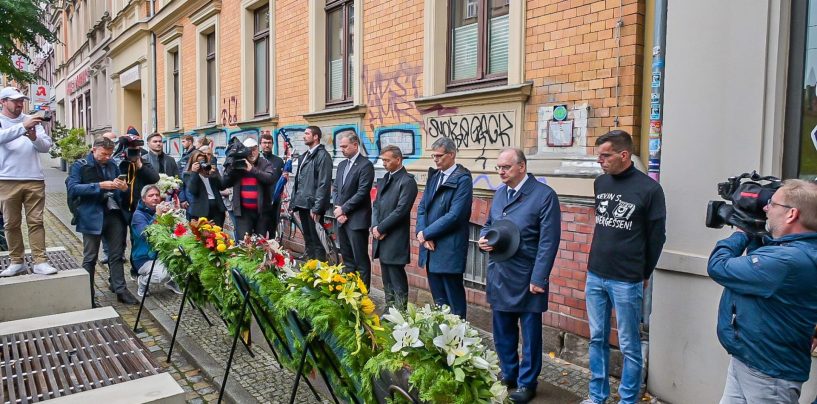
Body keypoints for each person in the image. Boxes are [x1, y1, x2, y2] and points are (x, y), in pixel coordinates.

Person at [707, 179, 817, 404]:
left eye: (773, 204)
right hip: (748, 359)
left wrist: (740, 231)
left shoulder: (789, 260)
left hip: (769, 375)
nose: (766, 208)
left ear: (792, 214)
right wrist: (757, 230)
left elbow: (719, 266)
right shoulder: (789, 249)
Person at [582, 130, 666, 404]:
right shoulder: (600, 183)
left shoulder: (650, 189)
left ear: (624, 155)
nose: (600, 161)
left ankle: (628, 400)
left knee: (629, 344)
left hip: (627, 279)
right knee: (597, 339)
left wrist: (644, 273)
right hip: (595, 274)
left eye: (605, 155)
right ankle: (597, 396)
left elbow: (657, 237)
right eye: (598, 156)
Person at [477, 148, 561, 403]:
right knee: (502, 329)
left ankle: (527, 383)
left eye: (506, 167)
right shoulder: (501, 193)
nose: (501, 172)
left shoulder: (544, 195)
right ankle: (509, 374)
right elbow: (490, 224)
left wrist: (539, 278)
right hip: (501, 271)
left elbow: (549, 241)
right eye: (498, 168)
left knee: (530, 333)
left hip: (527, 276)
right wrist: (484, 238)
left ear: (522, 167)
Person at [67, 137, 139, 306]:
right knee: (90, 257)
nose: (107, 157)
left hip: (113, 214)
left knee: (117, 255)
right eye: (104, 154)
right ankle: (88, 295)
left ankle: (120, 290)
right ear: (94, 149)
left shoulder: (113, 164)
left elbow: (121, 192)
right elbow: (73, 189)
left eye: (109, 154)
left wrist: (123, 188)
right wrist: (100, 185)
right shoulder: (80, 165)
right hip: (91, 215)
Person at [0, 87, 57, 276]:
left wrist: (33, 137)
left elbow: (46, 146)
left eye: (21, 100)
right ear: (3, 101)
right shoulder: (7, 121)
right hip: (6, 179)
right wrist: (24, 127)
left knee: (36, 221)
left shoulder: (32, 120)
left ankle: (40, 261)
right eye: (15, 100)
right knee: (11, 223)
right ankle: (17, 261)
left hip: (34, 178)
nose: (19, 104)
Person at [416, 137, 473, 318]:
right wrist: (422, 233)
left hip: (449, 247)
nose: (436, 159)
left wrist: (426, 233)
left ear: (452, 155)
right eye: (434, 156)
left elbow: (455, 215)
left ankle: (459, 337)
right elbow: (422, 207)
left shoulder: (462, 179)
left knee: (453, 300)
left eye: (439, 156)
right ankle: (442, 337)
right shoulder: (435, 176)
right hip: (430, 247)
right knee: (439, 300)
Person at [371, 145, 418, 310]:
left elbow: (401, 210)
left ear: (398, 160)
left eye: (387, 160)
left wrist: (381, 228)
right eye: (382, 160)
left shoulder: (407, 181)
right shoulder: (385, 178)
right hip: (381, 234)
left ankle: (400, 311)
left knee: (396, 274)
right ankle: (389, 307)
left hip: (395, 236)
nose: (384, 163)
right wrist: (375, 226)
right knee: (386, 275)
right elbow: (376, 205)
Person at [332, 132, 374, 287]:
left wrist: (344, 209)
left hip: (356, 220)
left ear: (355, 145)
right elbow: (336, 188)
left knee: (360, 259)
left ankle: (363, 295)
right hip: (341, 219)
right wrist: (338, 209)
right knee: (347, 258)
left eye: (345, 146)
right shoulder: (342, 165)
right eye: (340, 146)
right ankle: (349, 290)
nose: (341, 149)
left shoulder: (365, 165)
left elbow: (362, 192)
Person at [131, 184, 182, 297]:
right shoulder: (138, 216)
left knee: (184, 260)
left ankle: (172, 281)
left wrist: (173, 214)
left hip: (163, 254)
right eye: (150, 195)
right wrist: (158, 215)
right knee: (161, 275)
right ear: (144, 199)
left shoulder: (162, 210)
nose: (155, 198)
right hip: (144, 257)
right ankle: (143, 281)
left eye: (157, 195)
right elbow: (147, 235)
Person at [290, 126, 333, 260]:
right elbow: (298, 180)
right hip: (303, 203)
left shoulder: (322, 156)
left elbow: (323, 184)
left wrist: (317, 207)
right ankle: (310, 266)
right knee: (308, 237)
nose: (304, 136)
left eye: (307, 134)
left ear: (316, 137)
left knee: (317, 239)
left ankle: (319, 269)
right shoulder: (305, 155)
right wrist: (293, 202)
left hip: (313, 205)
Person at [223, 138, 276, 239]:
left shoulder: (264, 163)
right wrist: (229, 167)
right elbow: (224, 183)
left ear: (258, 149)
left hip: (261, 212)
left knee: (260, 244)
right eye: (248, 150)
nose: (251, 153)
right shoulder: (239, 164)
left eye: (254, 149)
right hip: (243, 213)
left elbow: (270, 179)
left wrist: (252, 170)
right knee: (244, 243)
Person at [116, 131, 160, 218]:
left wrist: (140, 166)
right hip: (121, 208)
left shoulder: (143, 162)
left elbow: (155, 178)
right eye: (131, 148)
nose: (134, 151)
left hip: (139, 207)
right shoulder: (118, 163)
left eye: (136, 149)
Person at [184, 150, 226, 227]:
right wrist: (194, 173)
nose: (201, 163)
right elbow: (193, 191)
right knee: (203, 236)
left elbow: (222, 186)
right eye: (199, 161)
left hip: (217, 209)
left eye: (203, 161)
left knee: (218, 235)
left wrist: (215, 173)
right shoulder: (188, 174)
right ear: (193, 162)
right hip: (201, 211)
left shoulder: (209, 173)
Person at [260, 132, 284, 238]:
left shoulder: (278, 161)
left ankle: (272, 253)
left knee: (273, 230)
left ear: (272, 144)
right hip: (260, 201)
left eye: (269, 143)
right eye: (264, 143)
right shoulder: (257, 160)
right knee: (260, 231)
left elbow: (282, 180)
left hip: (275, 201)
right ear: (260, 144)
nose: (267, 145)